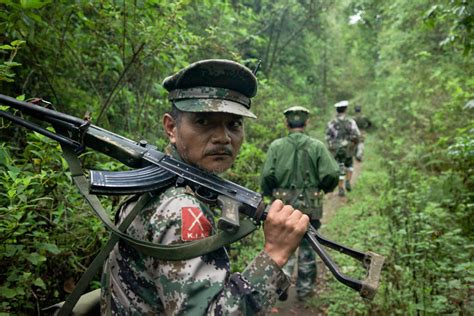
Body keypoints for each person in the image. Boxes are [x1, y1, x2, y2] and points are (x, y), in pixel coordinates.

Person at [100, 59, 310, 315]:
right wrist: (274, 254)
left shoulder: (160, 178)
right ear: (171, 128)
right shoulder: (182, 210)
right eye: (203, 121)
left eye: (234, 124)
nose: (223, 137)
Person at [260, 106, 339, 301]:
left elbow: (267, 175)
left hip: (282, 205)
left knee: (282, 245)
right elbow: (331, 173)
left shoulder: (276, 146)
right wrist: (323, 189)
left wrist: (271, 194)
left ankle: (281, 287)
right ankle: (305, 290)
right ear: (307, 123)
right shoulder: (317, 146)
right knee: (308, 246)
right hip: (310, 204)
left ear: (286, 123)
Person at [325, 100, 361, 197]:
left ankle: (340, 188)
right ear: (345, 110)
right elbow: (357, 135)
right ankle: (348, 182)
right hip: (348, 148)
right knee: (349, 166)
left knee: (340, 167)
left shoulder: (331, 123)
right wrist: (354, 145)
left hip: (337, 149)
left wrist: (332, 147)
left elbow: (328, 137)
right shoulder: (351, 122)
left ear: (337, 110)